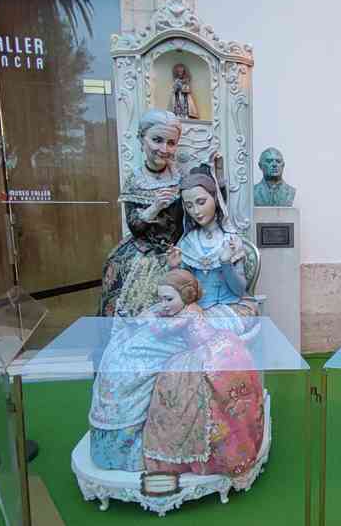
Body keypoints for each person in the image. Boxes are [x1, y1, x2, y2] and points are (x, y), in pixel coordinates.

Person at [88, 269, 264, 477]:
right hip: (206, 345)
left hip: (208, 352)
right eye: (161, 299)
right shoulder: (185, 308)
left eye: (168, 299)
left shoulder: (189, 313)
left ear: (186, 295)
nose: (163, 304)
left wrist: (149, 319)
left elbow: (162, 330)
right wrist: (155, 312)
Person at [100, 109, 183, 317]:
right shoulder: (136, 180)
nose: (164, 149)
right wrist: (155, 207)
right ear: (141, 139)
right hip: (142, 255)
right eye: (157, 140)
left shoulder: (180, 178)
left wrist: (217, 174)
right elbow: (135, 227)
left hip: (177, 252)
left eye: (171, 143)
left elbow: (201, 209)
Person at [169, 173, 258, 321]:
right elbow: (182, 290)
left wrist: (226, 263)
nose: (196, 211)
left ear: (215, 199)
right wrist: (174, 268)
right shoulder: (188, 242)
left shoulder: (231, 240)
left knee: (198, 323)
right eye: (189, 206)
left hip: (229, 307)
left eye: (201, 202)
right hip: (195, 308)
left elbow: (239, 290)